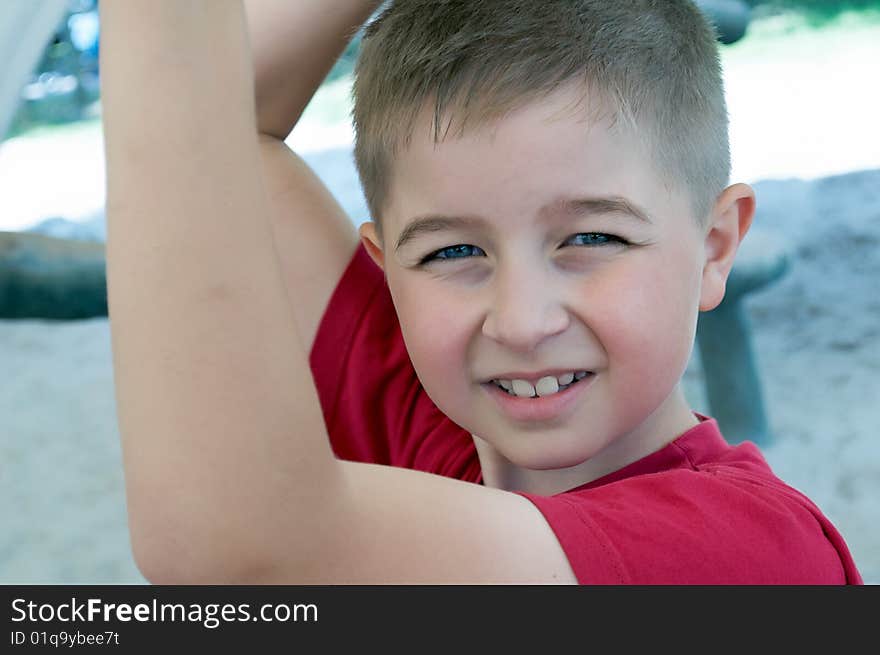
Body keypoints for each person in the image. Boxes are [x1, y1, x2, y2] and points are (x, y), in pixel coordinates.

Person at [99, 0, 863, 584]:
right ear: (387, 270)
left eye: (592, 238)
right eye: (453, 250)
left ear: (715, 246)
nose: (523, 321)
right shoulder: (420, 435)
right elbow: (225, 133)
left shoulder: (751, 549)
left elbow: (225, 541)